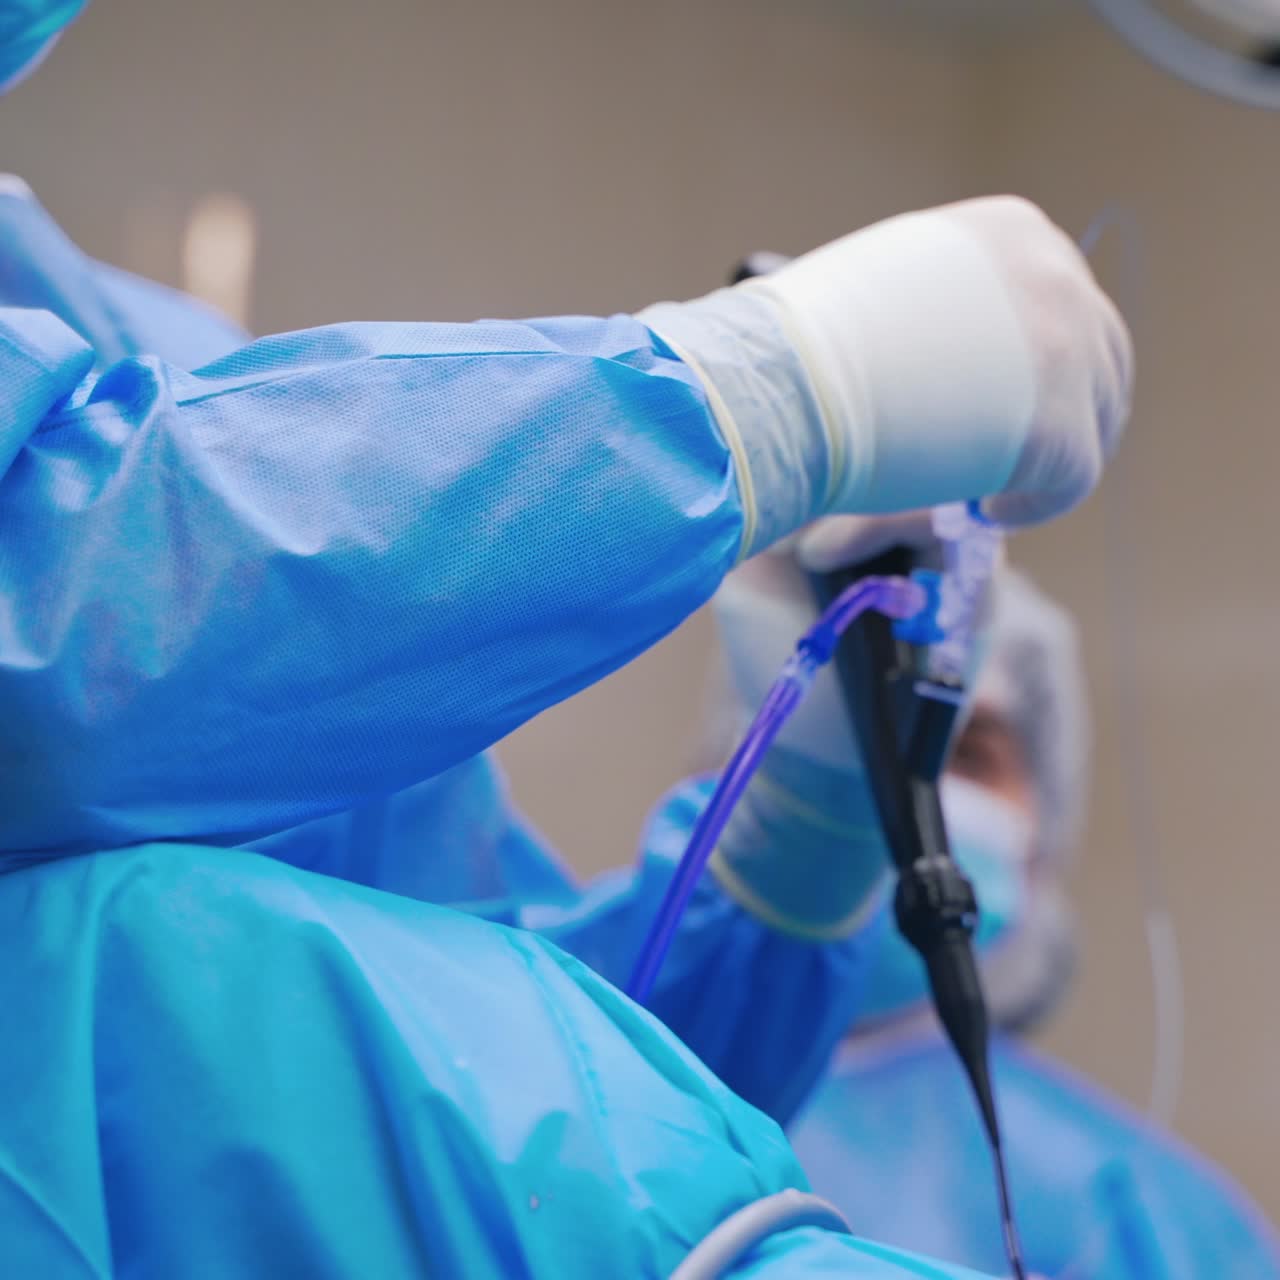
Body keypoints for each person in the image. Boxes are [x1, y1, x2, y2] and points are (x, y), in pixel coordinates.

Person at [0, 2, 1131, 1274]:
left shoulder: (146, 347)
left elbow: (507, 1089)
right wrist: (764, 395)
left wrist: (790, 857)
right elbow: (51, 651)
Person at [774, 566, 1280, 1279]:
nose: (912, 800)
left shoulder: (1137, 1212)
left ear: (1042, 839)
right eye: (868, 740)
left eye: (971, 753)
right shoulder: (627, 1118)